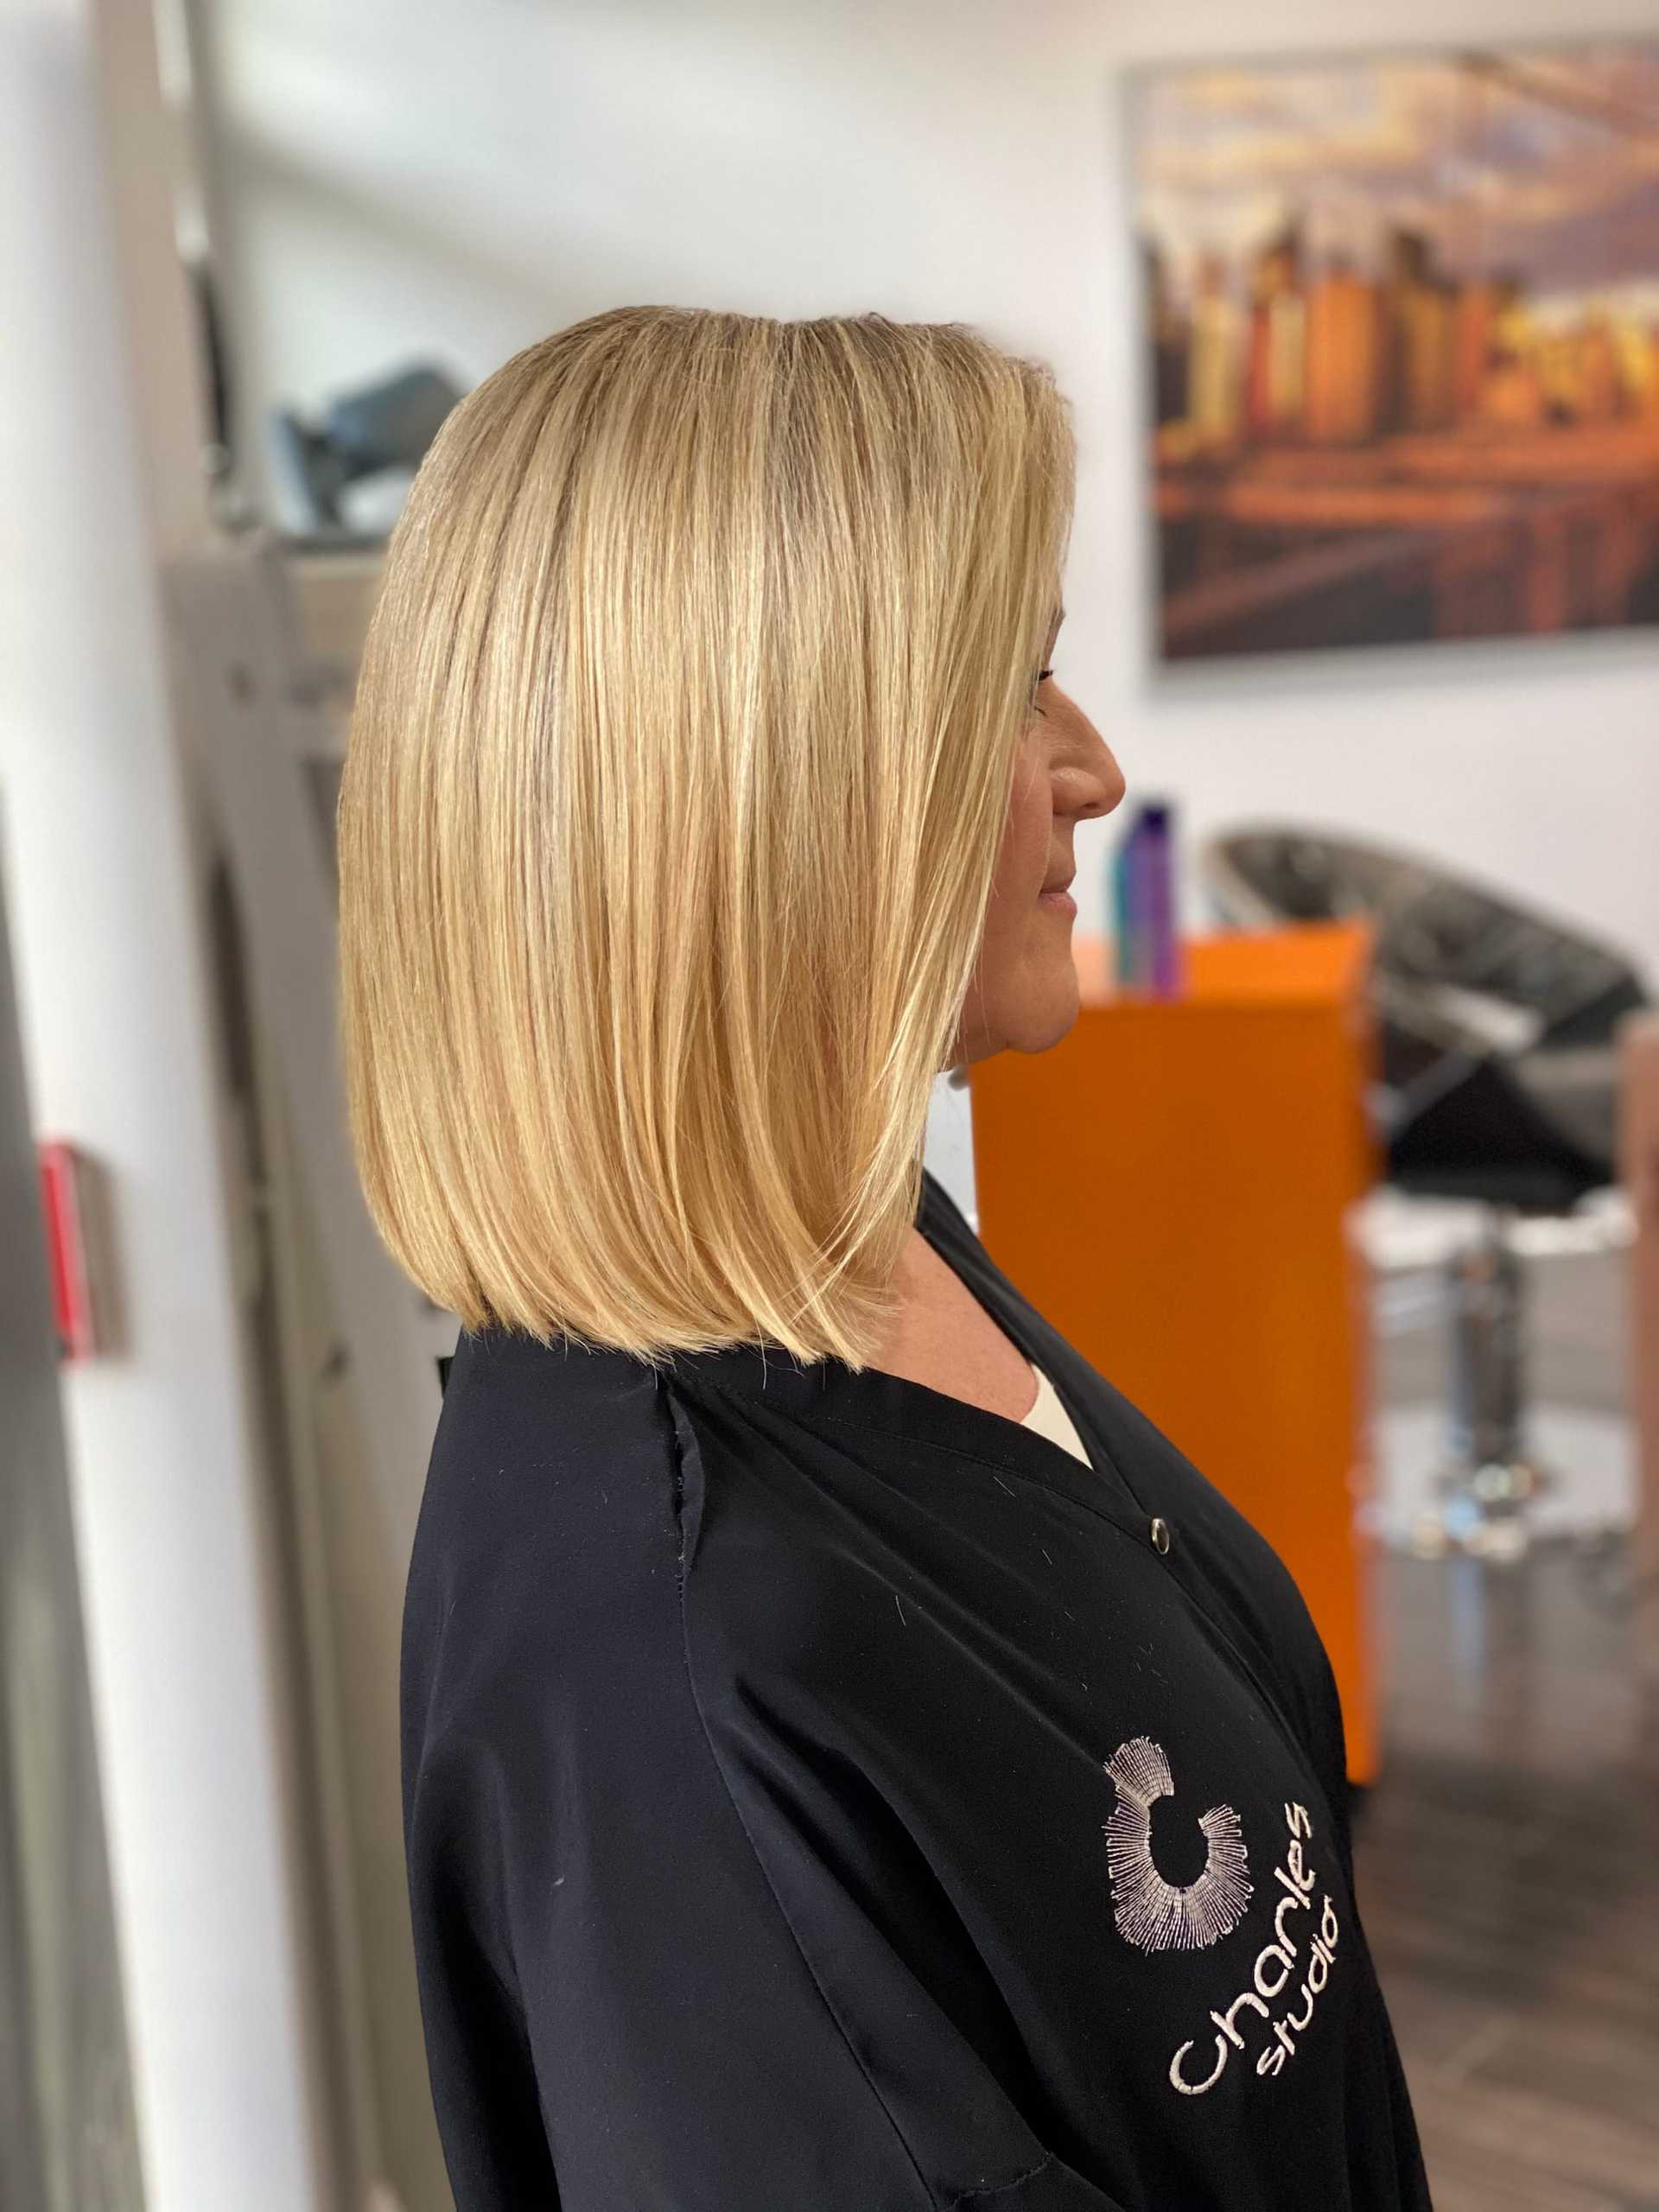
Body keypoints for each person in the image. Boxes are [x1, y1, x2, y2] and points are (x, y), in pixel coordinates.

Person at [337, 307, 1431, 2210]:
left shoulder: (855, 1231)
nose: (1091, 766)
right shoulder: (678, 1675)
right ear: (768, 801)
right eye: (1015, 689)